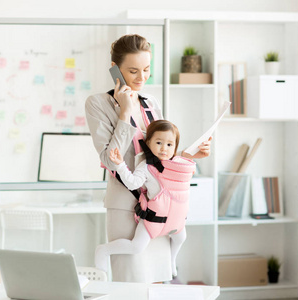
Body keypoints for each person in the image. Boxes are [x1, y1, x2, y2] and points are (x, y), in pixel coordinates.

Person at [85, 34, 211, 283]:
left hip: (156, 204)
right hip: (125, 205)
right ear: (115, 70)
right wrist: (125, 112)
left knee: (157, 281)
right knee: (130, 281)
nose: (141, 78)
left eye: (146, 70)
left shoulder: (151, 103)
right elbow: (111, 160)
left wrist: (187, 154)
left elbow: (160, 155)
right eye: (133, 71)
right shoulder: (97, 104)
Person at [95, 120, 196, 277]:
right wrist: (120, 164)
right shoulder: (147, 166)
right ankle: (104, 250)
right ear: (148, 143)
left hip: (174, 220)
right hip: (153, 220)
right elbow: (132, 182)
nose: (164, 148)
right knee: (137, 247)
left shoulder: (175, 164)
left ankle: (172, 261)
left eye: (170, 145)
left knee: (181, 237)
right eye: (158, 142)